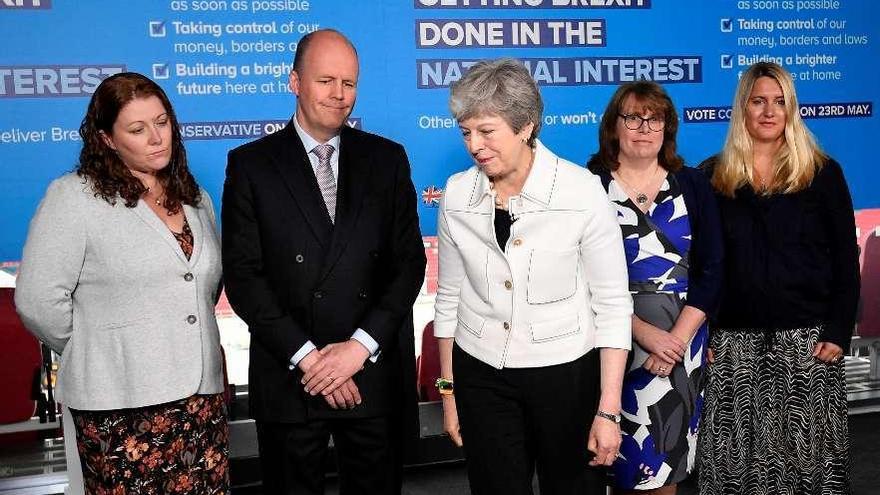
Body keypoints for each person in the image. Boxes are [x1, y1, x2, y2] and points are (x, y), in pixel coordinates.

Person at [222, 29, 426, 495]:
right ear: (295, 81)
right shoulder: (251, 165)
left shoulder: (387, 159)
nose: (339, 95)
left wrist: (357, 348)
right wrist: (312, 361)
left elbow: (408, 265)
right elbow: (244, 278)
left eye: (349, 83)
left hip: (371, 374)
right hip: (292, 377)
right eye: (326, 80)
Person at [14, 72, 228, 494]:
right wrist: (97, 346)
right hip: (119, 405)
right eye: (137, 128)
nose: (156, 137)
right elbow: (37, 300)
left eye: (162, 122)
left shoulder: (195, 198)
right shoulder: (74, 197)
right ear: (107, 139)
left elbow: (203, 287)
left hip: (200, 400)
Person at [433, 58, 633, 495]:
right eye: (466, 132)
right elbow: (448, 298)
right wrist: (448, 393)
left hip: (566, 374)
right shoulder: (456, 193)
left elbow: (613, 305)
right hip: (480, 372)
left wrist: (608, 411)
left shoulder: (580, 191)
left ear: (525, 125)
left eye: (487, 131)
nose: (475, 145)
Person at [698, 61, 858, 494]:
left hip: (808, 346)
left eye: (779, 102)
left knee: (808, 471)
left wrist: (839, 330)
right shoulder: (711, 177)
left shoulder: (824, 174)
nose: (769, 112)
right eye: (758, 101)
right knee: (735, 473)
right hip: (732, 347)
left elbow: (847, 260)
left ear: (792, 109)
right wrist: (703, 334)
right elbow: (703, 266)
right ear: (742, 109)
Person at [586, 81, 723, 494]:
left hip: (684, 340)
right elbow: (578, 275)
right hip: (612, 338)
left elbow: (714, 268)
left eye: (655, 119)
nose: (644, 127)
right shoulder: (588, 184)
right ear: (614, 126)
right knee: (616, 463)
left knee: (668, 463)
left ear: (667, 128)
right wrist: (645, 334)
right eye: (633, 117)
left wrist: (677, 341)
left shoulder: (692, 184)